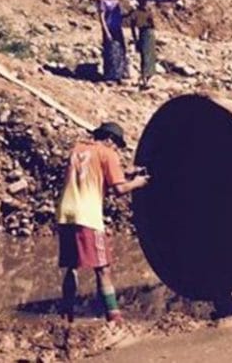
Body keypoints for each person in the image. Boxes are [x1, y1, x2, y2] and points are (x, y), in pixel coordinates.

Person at [55, 122, 149, 323]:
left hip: (65, 212)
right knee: (103, 267)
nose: (116, 150)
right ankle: (114, 317)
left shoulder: (78, 149)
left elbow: (93, 176)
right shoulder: (108, 153)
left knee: (71, 266)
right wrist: (138, 183)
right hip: (86, 214)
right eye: (117, 145)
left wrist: (126, 173)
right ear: (109, 140)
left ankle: (66, 314)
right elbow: (119, 190)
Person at [98, 0, 128, 83]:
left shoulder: (117, 3)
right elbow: (102, 17)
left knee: (120, 50)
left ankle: (119, 74)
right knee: (110, 50)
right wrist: (106, 31)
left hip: (117, 28)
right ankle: (110, 75)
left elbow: (121, 16)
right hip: (109, 28)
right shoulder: (102, 2)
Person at [128, 0, 158, 89]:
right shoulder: (136, 12)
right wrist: (135, 38)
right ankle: (144, 78)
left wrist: (152, 15)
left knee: (150, 56)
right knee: (145, 56)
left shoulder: (148, 12)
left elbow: (153, 24)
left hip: (148, 34)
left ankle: (148, 79)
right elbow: (132, 25)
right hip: (144, 33)